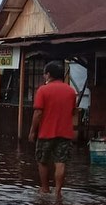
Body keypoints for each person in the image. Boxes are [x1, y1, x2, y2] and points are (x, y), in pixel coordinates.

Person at [29, 61, 76, 197]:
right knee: (60, 162)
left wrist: (32, 131)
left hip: (46, 132)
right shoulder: (71, 91)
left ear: (48, 74)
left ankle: (45, 188)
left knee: (42, 161)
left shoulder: (43, 90)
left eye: (44, 74)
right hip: (65, 133)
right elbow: (72, 112)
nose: (44, 77)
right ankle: (58, 192)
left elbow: (38, 113)